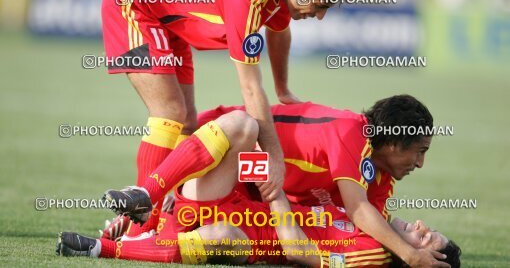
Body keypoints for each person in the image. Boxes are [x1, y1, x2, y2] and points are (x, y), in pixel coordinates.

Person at [101, 0, 356, 236]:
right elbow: (250, 89)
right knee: (169, 111)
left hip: (170, 14)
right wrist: (273, 159)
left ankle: (159, 218)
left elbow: (279, 28)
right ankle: (139, 230)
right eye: (321, 4)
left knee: (187, 121)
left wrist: (283, 88)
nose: (321, 15)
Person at [101, 95, 451, 266]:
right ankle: (146, 205)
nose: (421, 163)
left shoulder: (378, 183)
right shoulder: (352, 133)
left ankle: (140, 230)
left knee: (219, 234)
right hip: (211, 150)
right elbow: (358, 212)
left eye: (427, 235)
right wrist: (412, 255)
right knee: (243, 125)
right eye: (419, 151)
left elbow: (365, 222)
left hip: (242, 193)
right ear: (392, 142)